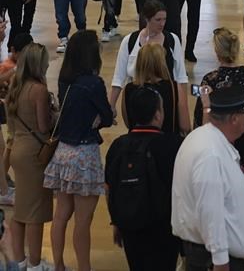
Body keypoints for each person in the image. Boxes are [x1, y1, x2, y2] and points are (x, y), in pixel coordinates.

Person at [172, 86, 244, 270]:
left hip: (216, 255)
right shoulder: (211, 155)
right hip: (216, 260)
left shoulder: (207, 140)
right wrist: (220, 261)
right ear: (234, 119)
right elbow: (210, 211)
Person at [44, 30, 113, 271]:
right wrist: (100, 118)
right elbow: (106, 115)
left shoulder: (65, 80)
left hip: (63, 151)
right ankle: (84, 267)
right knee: (83, 221)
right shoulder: (94, 84)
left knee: (62, 214)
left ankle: (59, 265)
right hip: (85, 154)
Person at [105, 85, 182, 270]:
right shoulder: (172, 145)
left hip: (130, 224)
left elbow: (109, 188)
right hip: (164, 227)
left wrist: (116, 222)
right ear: (157, 115)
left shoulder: (118, 146)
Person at [8, 42, 57, 271]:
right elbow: (43, 125)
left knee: (20, 209)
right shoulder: (38, 90)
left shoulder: (16, 86)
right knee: (35, 213)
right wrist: (54, 112)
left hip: (18, 149)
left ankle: (19, 260)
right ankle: (36, 265)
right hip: (34, 156)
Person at [109, 0, 190, 134]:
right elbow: (119, 77)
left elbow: (181, 77)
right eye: (158, 20)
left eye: (164, 19)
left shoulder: (172, 40)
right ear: (147, 19)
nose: (162, 23)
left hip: (167, 103)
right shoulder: (130, 41)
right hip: (139, 103)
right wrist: (111, 105)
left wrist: (183, 110)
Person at [122, 43, 182, 134]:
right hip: (167, 142)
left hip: (135, 144)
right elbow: (185, 125)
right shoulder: (173, 87)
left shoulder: (129, 89)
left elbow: (128, 123)